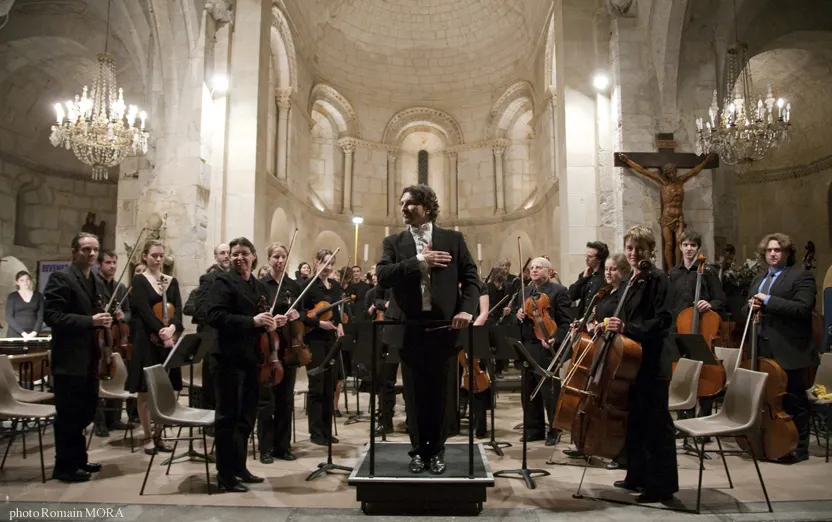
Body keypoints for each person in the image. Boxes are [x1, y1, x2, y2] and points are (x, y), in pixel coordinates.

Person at [376, 184, 480, 475]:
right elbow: (383, 276)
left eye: (409, 203)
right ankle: (418, 452)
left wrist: (466, 310)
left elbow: (472, 279)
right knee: (413, 394)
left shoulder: (453, 239)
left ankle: (436, 451)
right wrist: (420, 260)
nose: (403, 208)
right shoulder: (394, 242)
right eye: (401, 203)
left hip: (444, 328)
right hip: (408, 329)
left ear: (427, 207)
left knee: (441, 394)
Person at [206, 237, 286, 492]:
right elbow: (215, 316)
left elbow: (261, 320)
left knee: (246, 417)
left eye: (244, 253)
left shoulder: (258, 286)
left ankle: (239, 467)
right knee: (227, 417)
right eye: (235, 254)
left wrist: (273, 322)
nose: (239, 257)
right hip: (227, 358)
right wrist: (252, 321)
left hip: (252, 359)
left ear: (253, 256)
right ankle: (225, 475)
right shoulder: (222, 282)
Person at [604, 225, 676, 503]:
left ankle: (660, 486)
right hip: (631, 360)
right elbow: (624, 316)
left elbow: (663, 320)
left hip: (652, 360)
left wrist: (627, 328)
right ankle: (636, 475)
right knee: (634, 420)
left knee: (656, 424)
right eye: (630, 248)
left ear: (651, 250)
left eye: (640, 248)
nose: (634, 253)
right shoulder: (631, 280)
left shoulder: (658, 278)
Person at [43, 232, 111, 482]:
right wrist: (90, 321)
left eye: (95, 249)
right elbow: (52, 316)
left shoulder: (95, 280)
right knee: (68, 415)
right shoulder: (61, 278)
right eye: (86, 249)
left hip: (91, 358)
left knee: (85, 411)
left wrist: (105, 318)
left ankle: (79, 459)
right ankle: (64, 466)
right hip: (69, 358)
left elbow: (96, 313)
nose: (91, 254)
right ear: (74, 251)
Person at [745, 232, 817, 463]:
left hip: (789, 348)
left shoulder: (801, 277)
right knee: (767, 398)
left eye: (778, 250)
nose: (773, 254)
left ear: (787, 253)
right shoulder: (759, 278)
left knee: (793, 399)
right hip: (761, 346)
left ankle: (799, 447)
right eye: (769, 250)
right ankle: (770, 442)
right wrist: (750, 305)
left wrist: (767, 300)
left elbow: (802, 308)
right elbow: (747, 309)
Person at [563, 253, 631, 468]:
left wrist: (604, 323)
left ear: (624, 271)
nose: (608, 273)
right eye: (607, 269)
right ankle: (585, 441)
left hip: (616, 348)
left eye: (613, 269)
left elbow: (622, 318)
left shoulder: (625, 293)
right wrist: (585, 324)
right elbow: (598, 318)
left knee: (612, 400)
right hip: (601, 346)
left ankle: (619, 452)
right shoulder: (607, 292)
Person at [125, 240, 184, 455]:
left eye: (161, 255)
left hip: (167, 340)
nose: (158, 259)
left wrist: (173, 328)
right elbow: (144, 311)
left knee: (165, 389)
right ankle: (148, 436)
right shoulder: (139, 280)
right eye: (153, 255)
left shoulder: (171, 281)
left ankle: (159, 435)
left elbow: (178, 309)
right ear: (145, 256)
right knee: (145, 390)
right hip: (146, 340)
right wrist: (162, 331)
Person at [514, 256, 572, 446]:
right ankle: (533, 429)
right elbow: (517, 318)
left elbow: (566, 322)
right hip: (527, 344)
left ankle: (555, 430)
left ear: (549, 271)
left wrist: (557, 338)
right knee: (528, 389)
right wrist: (518, 314)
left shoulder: (559, 291)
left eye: (539, 267)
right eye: (532, 267)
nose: (534, 270)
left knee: (550, 391)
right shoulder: (525, 291)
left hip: (546, 345)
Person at [668, 229, 726, 418]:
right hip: (679, 330)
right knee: (682, 376)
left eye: (693, 245)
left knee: (705, 372)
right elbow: (670, 302)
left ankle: (704, 415)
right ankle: (684, 418)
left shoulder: (707, 271)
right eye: (685, 245)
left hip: (702, 329)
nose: (689, 249)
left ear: (698, 248)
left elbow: (720, 300)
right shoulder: (674, 273)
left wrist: (710, 304)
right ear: (680, 247)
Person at [257, 242, 301, 463]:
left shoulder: (292, 285)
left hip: (287, 348)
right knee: (267, 402)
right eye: (275, 257)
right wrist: (271, 320)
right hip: (268, 348)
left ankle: (282, 446)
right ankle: (265, 447)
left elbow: (302, 311)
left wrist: (296, 315)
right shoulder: (260, 285)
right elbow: (256, 314)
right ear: (268, 259)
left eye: (283, 257)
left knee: (286, 401)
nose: (280, 261)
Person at [300, 248, 345, 445]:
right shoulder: (308, 286)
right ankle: (316, 432)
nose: (329, 267)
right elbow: (301, 314)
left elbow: (337, 309)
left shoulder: (335, 286)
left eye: (331, 264)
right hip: (314, 339)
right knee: (317, 386)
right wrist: (319, 323)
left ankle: (327, 430)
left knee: (329, 386)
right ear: (317, 262)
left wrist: (340, 324)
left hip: (330, 339)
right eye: (325, 263)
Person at [92, 250, 133, 438]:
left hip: (117, 337)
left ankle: (114, 419)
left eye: (114, 262)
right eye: (108, 262)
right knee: (99, 377)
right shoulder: (94, 285)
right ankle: (99, 422)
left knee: (118, 374)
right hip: (100, 336)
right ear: (99, 264)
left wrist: (123, 316)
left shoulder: (120, 287)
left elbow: (129, 312)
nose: (112, 266)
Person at [568, 241, 609, 319]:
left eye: (590, 257)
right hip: (581, 320)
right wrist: (583, 278)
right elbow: (571, 296)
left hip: (596, 320)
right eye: (586, 256)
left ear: (599, 259)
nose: (586, 259)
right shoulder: (584, 275)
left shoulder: (606, 276)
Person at [5, 270, 44, 339]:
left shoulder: (38, 296)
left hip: (32, 333)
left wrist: (34, 332)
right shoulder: (12, 296)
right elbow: (8, 317)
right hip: (15, 333)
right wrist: (23, 333)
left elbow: (41, 316)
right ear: (17, 282)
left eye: (27, 279)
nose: (25, 282)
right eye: (22, 280)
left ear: (31, 280)